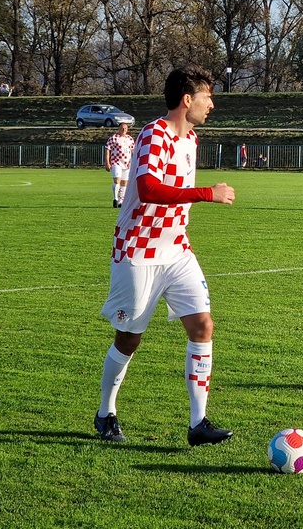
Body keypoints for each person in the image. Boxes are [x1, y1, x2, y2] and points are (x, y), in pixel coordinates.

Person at [95, 66, 235, 447]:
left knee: (203, 325)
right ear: (187, 100)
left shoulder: (192, 140)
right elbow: (148, 189)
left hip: (177, 250)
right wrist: (207, 193)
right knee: (129, 338)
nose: (211, 104)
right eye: (207, 97)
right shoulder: (153, 134)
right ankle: (106, 413)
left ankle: (198, 423)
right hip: (138, 250)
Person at [104, 123, 135, 209]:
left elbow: (133, 150)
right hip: (116, 162)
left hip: (127, 164)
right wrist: (107, 162)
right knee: (117, 180)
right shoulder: (114, 138)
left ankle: (121, 201)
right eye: (122, 128)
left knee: (124, 182)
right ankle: (115, 199)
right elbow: (108, 149)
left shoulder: (129, 139)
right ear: (119, 128)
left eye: (125, 128)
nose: (124, 129)